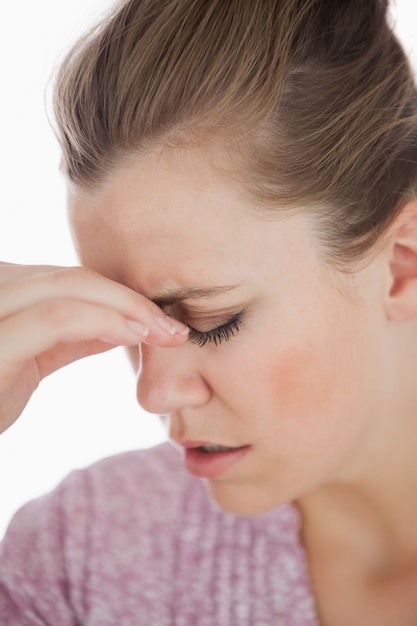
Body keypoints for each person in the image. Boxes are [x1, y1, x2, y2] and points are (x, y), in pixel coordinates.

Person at [1, 0, 417, 623]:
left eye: (211, 321)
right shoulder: (79, 559)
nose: (154, 393)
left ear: (402, 266)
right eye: (127, 321)